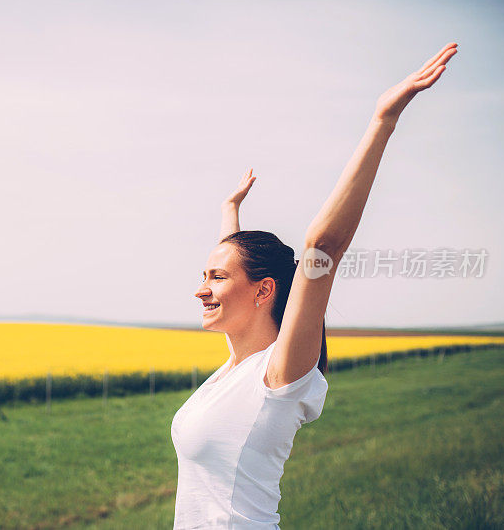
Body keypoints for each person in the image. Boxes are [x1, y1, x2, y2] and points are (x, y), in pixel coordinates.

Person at [171, 42, 458, 529]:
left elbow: (325, 244)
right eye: (203, 277)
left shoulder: (279, 375)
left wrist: (382, 120)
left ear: (265, 292)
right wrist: (229, 215)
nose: (202, 289)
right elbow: (241, 267)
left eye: (215, 278)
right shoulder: (236, 368)